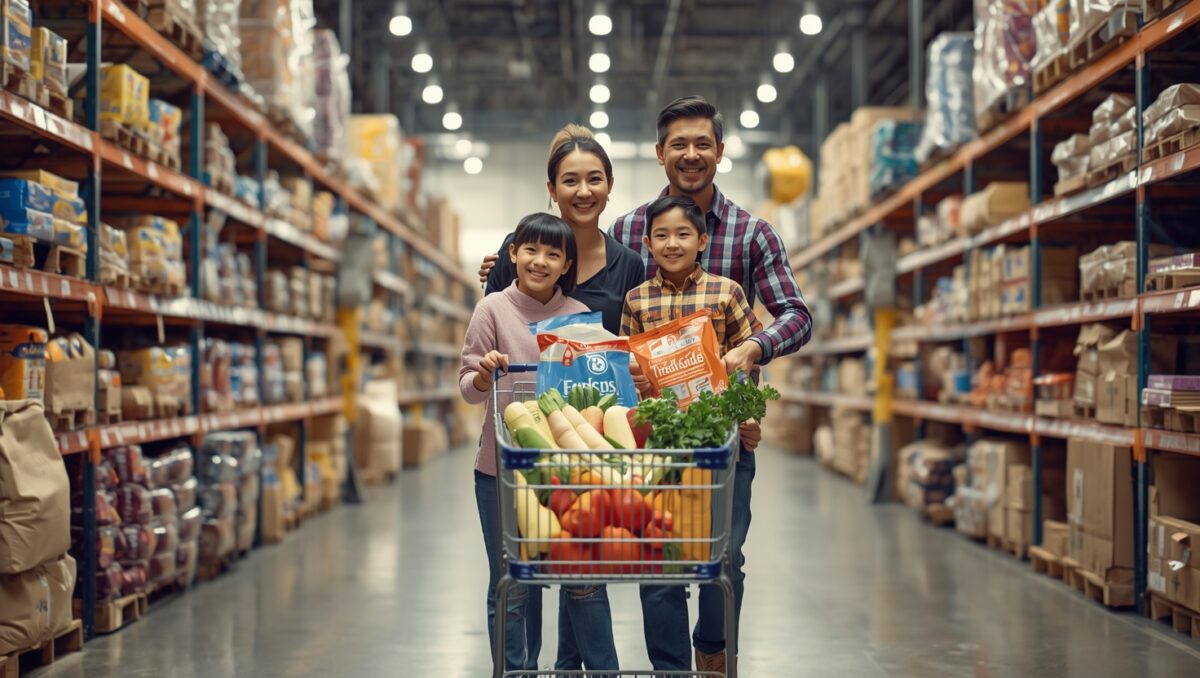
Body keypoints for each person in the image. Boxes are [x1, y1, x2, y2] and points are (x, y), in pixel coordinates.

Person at [610, 96, 813, 673]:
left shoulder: (752, 235)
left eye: (703, 143)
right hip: (652, 435)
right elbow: (574, 286)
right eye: (679, 144)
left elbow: (796, 314)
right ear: (659, 154)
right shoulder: (628, 231)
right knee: (658, 554)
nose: (691, 154)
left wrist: (752, 348)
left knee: (725, 556)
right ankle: (671, 666)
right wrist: (501, 267)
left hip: (723, 431)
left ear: (720, 153)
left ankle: (714, 653)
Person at [460, 213, 620, 673]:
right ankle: (515, 670)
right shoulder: (491, 309)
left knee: (577, 575)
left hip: (568, 474)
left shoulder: (578, 320)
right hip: (500, 471)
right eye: (531, 250)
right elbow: (467, 388)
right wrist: (484, 372)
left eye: (554, 254)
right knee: (511, 584)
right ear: (513, 254)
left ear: (567, 263)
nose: (540, 261)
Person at [481, 125, 644, 336]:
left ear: (610, 185)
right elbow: (489, 331)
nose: (584, 192)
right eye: (570, 181)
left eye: (594, 179)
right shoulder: (518, 250)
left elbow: (632, 349)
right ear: (552, 190)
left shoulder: (627, 266)